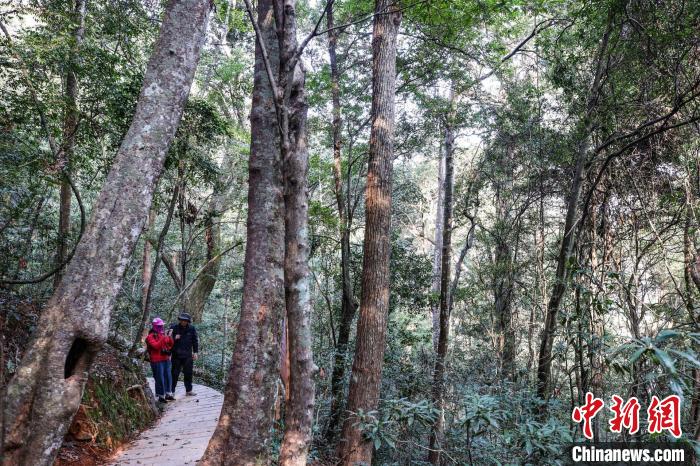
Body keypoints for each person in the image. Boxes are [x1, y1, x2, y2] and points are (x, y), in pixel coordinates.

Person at [145, 317, 175, 403]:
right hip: (156, 360)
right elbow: (156, 346)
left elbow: (170, 344)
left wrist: (169, 337)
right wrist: (163, 337)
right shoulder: (150, 337)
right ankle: (160, 395)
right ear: (154, 326)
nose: (161, 327)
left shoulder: (162, 335)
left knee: (168, 376)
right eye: (159, 326)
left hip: (165, 358)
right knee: (160, 378)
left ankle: (168, 393)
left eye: (161, 326)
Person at [170, 312, 199, 396]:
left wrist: (196, 352)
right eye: (182, 320)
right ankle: (172, 391)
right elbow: (167, 341)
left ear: (188, 321)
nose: (183, 322)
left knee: (188, 373)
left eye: (185, 320)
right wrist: (174, 338)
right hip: (176, 355)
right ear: (180, 320)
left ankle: (189, 390)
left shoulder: (192, 328)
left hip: (188, 356)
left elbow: (195, 341)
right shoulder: (174, 328)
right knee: (174, 373)